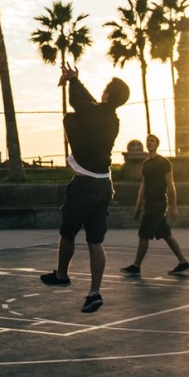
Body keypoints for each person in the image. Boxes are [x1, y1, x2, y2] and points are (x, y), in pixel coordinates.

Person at [39, 63, 128, 313]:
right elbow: (91, 105)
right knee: (95, 241)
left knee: (68, 232)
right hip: (104, 184)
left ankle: (61, 274)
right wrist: (76, 80)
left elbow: (79, 103)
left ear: (107, 95)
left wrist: (72, 81)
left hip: (84, 185)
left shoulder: (95, 112)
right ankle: (94, 292)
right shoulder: (112, 119)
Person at [119, 134, 189, 276]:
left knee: (144, 234)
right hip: (149, 204)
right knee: (165, 233)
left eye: (152, 141)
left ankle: (136, 266)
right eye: (148, 141)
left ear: (157, 144)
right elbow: (143, 186)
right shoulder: (146, 163)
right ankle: (183, 262)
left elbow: (171, 185)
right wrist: (138, 207)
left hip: (158, 204)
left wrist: (173, 206)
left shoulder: (164, 162)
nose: (149, 143)